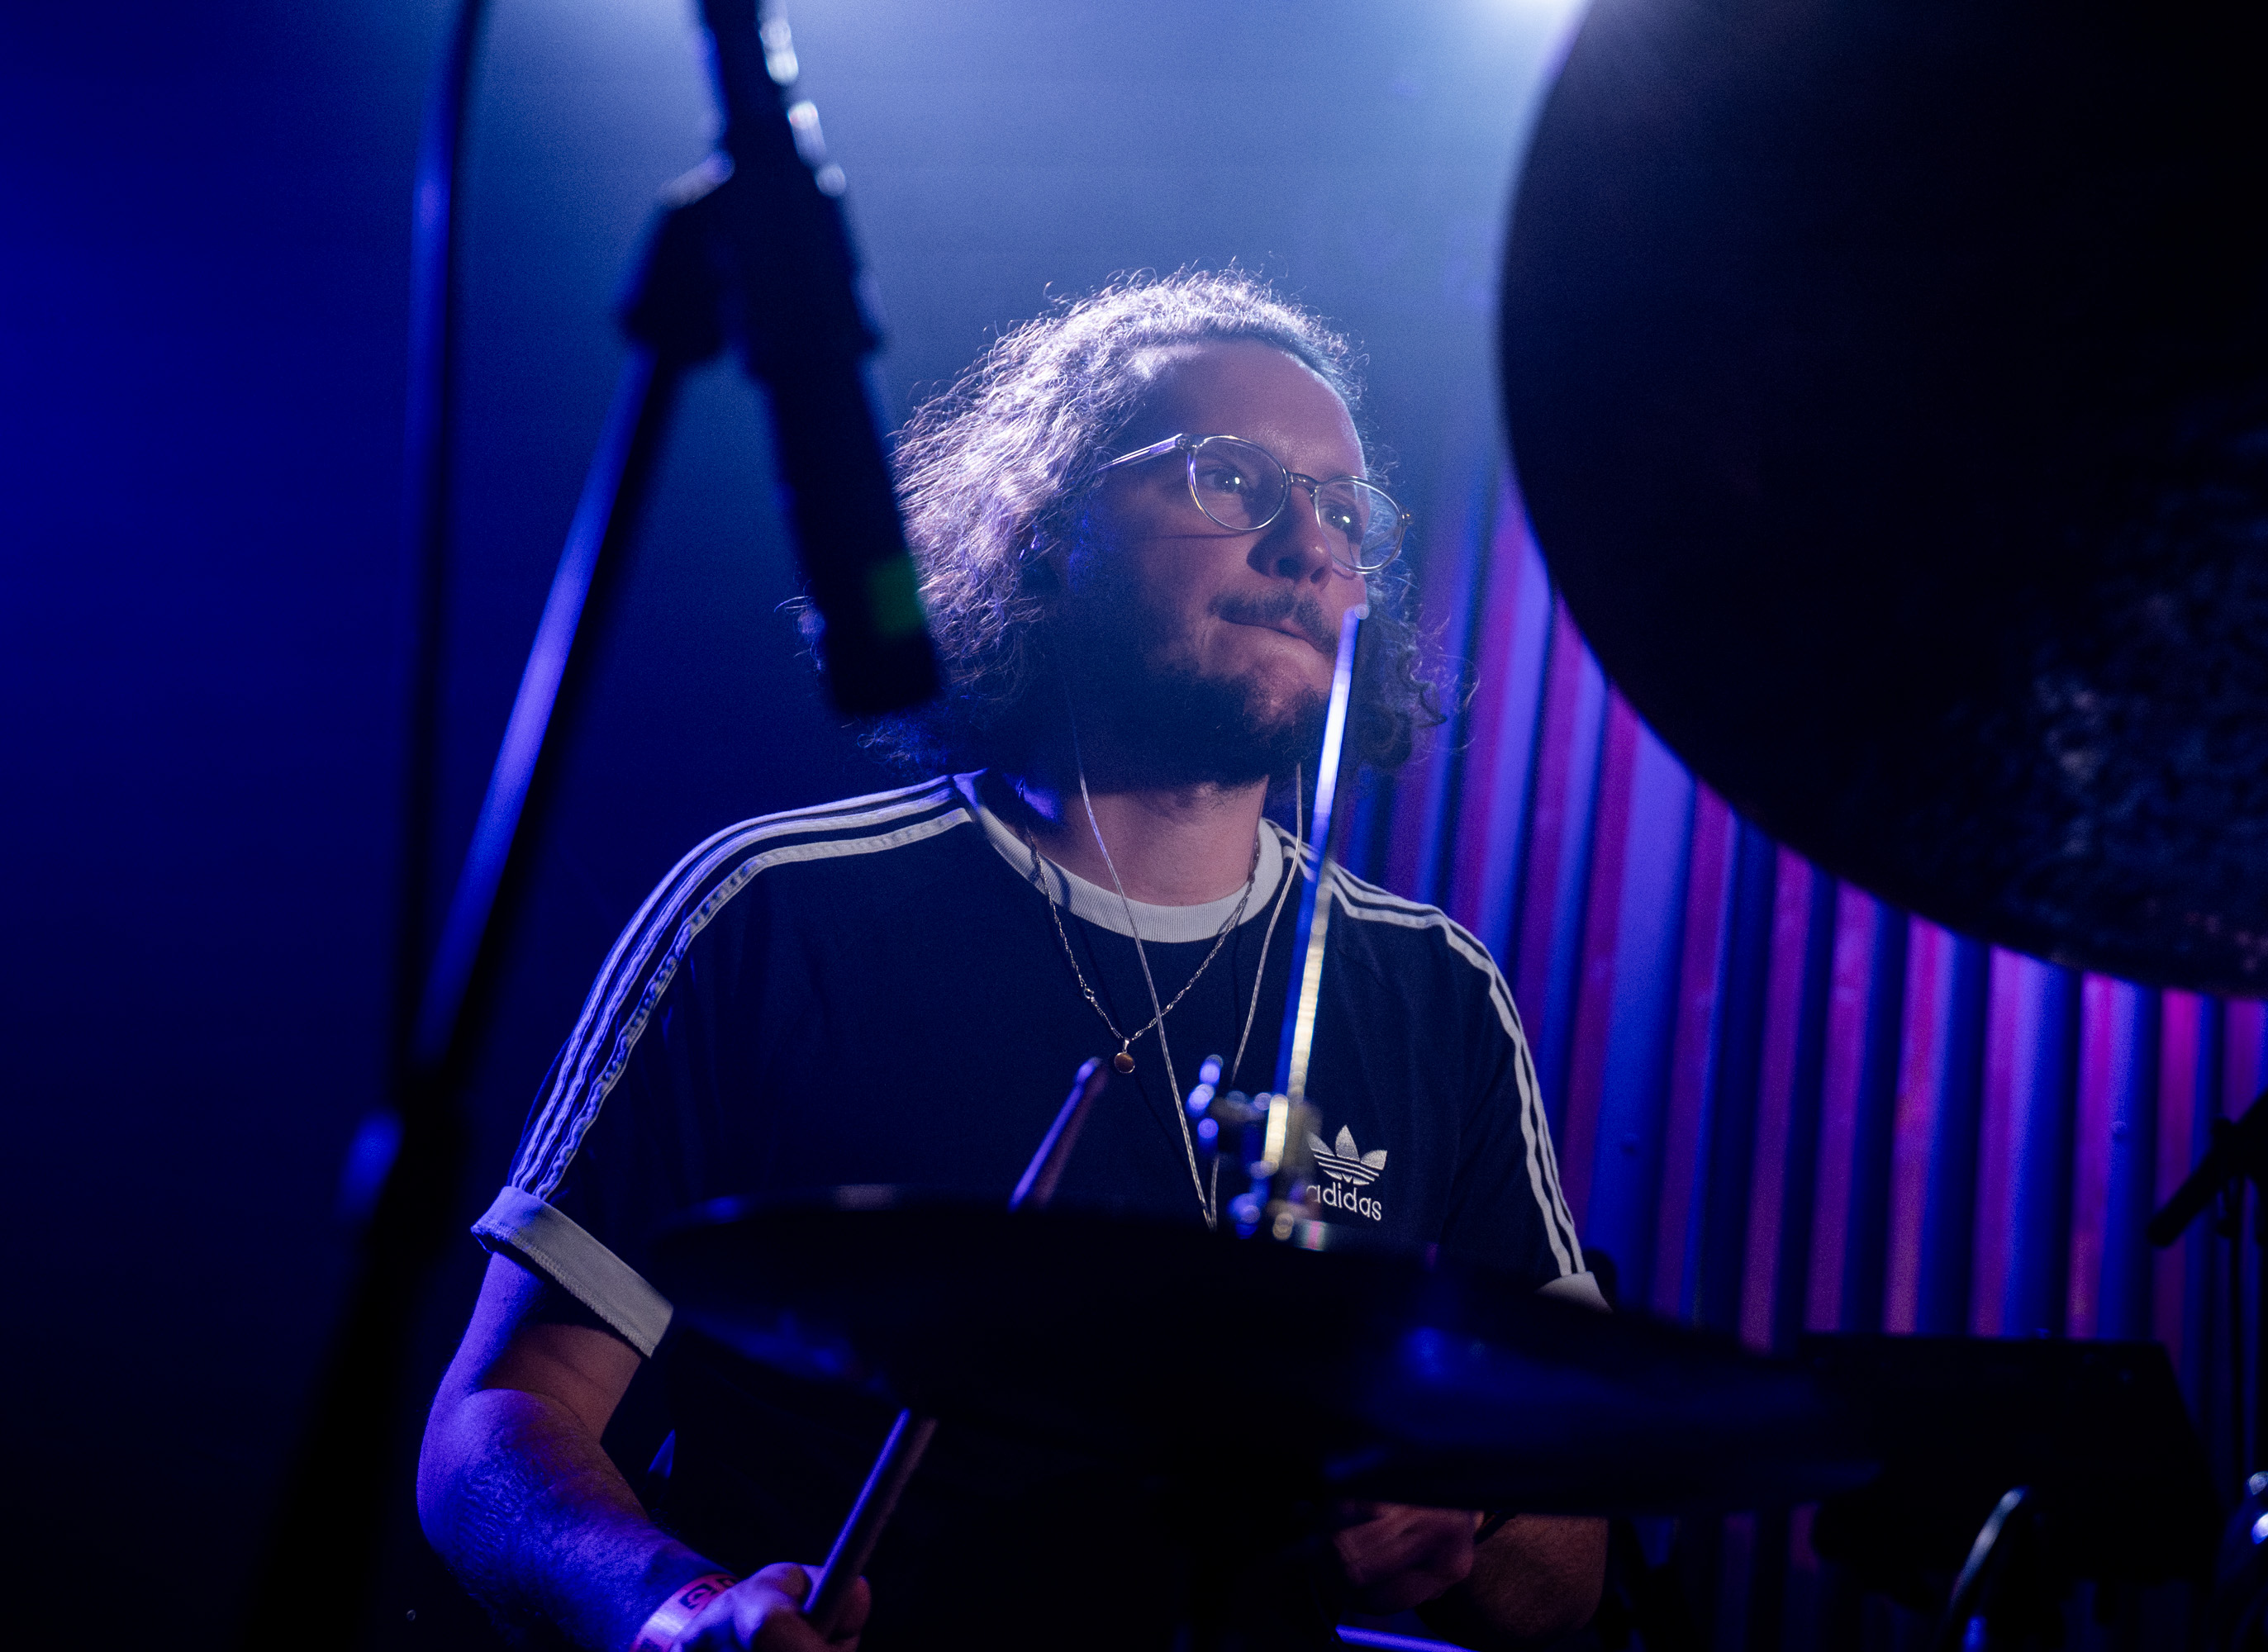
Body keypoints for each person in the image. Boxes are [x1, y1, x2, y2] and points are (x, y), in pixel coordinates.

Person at [417, 272, 1609, 1650]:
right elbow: (497, 1422)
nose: (1305, 545)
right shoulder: (780, 913)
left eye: (1344, 513)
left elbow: (1567, 1567)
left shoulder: (1434, 993)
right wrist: (675, 1616)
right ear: (1046, 529)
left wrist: (1452, 1525)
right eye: (1231, 477)